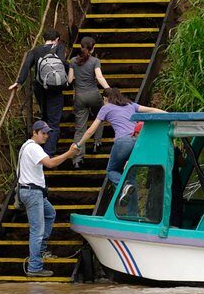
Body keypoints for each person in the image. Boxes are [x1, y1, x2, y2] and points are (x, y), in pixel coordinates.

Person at [18, 120, 79, 277]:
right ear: (34, 132)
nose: (46, 136)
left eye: (47, 133)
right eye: (43, 133)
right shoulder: (33, 148)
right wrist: (69, 154)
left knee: (50, 213)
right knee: (37, 230)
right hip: (32, 193)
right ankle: (35, 267)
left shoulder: (26, 146)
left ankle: (41, 250)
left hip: (31, 191)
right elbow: (50, 163)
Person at [73, 87, 166, 185]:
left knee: (112, 171)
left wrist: (79, 144)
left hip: (123, 141)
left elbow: (91, 130)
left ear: (105, 98)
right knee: (130, 175)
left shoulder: (106, 107)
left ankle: (125, 186)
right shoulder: (130, 105)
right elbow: (150, 110)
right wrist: (168, 114)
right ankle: (130, 191)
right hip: (137, 141)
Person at [10, 28, 68, 157]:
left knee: (45, 116)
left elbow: (26, 66)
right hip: (56, 90)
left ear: (44, 39)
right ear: (57, 40)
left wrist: (18, 82)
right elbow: (63, 63)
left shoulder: (35, 50)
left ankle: (41, 151)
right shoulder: (59, 48)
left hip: (40, 89)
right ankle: (49, 154)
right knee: (54, 122)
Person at [67, 36, 110, 168]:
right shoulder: (95, 61)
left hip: (79, 97)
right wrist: (109, 89)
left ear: (80, 47)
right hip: (93, 95)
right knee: (100, 115)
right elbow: (99, 77)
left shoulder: (73, 61)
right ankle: (97, 142)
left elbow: (69, 80)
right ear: (93, 48)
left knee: (80, 128)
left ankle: (77, 159)